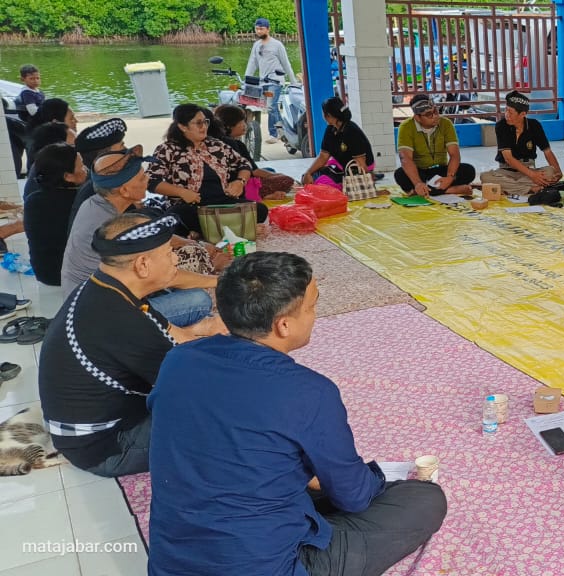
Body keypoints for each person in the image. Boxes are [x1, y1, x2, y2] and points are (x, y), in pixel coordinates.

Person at [147, 252, 447, 576]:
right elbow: (354, 496)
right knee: (423, 499)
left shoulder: (180, 359)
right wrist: (371, 477)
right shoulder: (309, 392)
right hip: (268, 566)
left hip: (173, 563)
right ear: (284, 325)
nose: (315, 315)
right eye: (313, 306)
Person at [38, 214, 222, 478]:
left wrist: (207, 329)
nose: (175, 259)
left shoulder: (107, 289)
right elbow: (197, 384)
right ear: (143, 265)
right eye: (169, 253)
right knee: (223, 410)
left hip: (95, 427)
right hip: (107, 448)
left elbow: (171, 335)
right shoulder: (120, 320)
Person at [65, 146, 217, 327]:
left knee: (179, 277)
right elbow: (168, 277)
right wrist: (218, 281)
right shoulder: (113, 227)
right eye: (142, 177)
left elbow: (153, 234)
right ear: (125, 191)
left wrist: (191, 242)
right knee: (198, 300)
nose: (148, 180)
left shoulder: (94, 204)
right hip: (101, 317)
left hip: (87, 300)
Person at [148, 104, 267, 236]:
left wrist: (240, 181)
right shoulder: (167, 150)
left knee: (260, 209)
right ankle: (235, 229)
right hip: (192, 207)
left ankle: (212, 231)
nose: (204, 127)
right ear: (182, 126)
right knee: (178, 214)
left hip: (223, 203)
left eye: (205, 122)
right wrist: (181, 192)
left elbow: (244, 164)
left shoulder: (216, 145)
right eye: (198, 123)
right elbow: (151, 181)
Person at [478, 91, 564, 195]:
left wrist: (558, 172)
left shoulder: (534, 125)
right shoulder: (501, 125)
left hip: (528, 169)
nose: (507, 115)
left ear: (523, 114)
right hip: (506, 171)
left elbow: (547, 151)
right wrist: (533, 176)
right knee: (485, 177)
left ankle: (511, 188)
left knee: (550, 172)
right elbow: (508, 158)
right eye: (506, 110)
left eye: (511, 112)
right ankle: (530, 189)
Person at [25, 142, 86, 285]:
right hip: (71, 276)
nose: (85, 170)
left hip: (44, 274)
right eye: (81, 166)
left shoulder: (33, 199)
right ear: (68, 176)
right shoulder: (80, 201)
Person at [395, 95, 476, 196]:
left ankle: (421, 192)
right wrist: (418, 183)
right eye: (429, 114)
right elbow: (406, 159)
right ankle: (450, 190)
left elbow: (454, 155)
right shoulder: (406, 127)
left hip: (441, 171)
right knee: (400, 174)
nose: (435, 116)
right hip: (420, 172)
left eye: (436, 111)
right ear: (417, 117)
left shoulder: (446, 123)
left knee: (469, 170)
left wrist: (450, 177)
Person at [212, 104, 295, 200]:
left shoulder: (213, 142)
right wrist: (278, 176)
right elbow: (254, 171)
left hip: (226, 184)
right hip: (239, 185)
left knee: (270, 170)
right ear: (229, 125)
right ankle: (260, 195)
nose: (245, 125)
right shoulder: (235, 144)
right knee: (286, 180)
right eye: (241, 122)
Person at [300, 97, 375, 193]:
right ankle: (340, 186)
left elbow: (361, 163)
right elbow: (323, 156)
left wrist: (367, 184)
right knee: (308, 178)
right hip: (341, 168)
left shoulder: (352, 131)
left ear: (328, 115)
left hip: (355, 170)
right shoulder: (330, 129)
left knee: (320, 184)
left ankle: (343, 187)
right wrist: (308, 173)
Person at [244, 17, 297, 144]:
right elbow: (252, 63)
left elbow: (286, 63)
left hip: (276, 81)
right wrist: (246, 81)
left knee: (271, 106)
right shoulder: (256, 45)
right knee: (270, 108)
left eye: (261, 29)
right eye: (257, 29)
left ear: (268, 29)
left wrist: (293, 81)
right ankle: (282, 131)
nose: (258, 31)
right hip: (263, 82)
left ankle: (275, 133)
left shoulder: (277, 45)